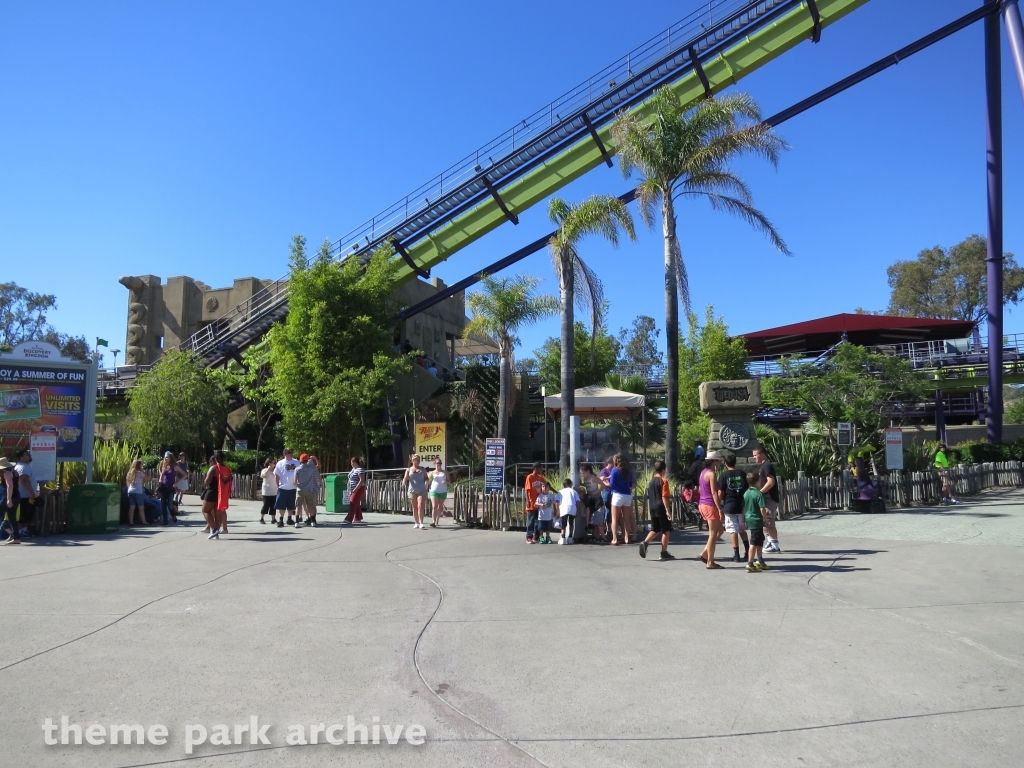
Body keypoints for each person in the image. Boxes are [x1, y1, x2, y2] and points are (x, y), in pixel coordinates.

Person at [639, 460, 675, 561]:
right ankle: (663, 552)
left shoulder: (651, 482)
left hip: (652, 507)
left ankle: (645, 543)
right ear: (663, 470)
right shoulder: (663, 481)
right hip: (661, 507)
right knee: (666, 530)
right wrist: (668, 510)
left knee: (656, 528)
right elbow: (664, 496)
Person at [718, 454, 750, 562]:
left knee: (733, 530)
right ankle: (748, 551)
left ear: (725, 464)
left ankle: (736, 554)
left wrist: (719, 503)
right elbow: (746, 489)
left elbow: (720, 492)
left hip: (729, 505)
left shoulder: (723, 475)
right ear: (735, 462)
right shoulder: (742, 474)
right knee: (742, 529)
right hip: (741, 505)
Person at [751, 446, 782, 552]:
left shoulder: (767, 466)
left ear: (762, 454)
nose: (754, 457)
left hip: (769, 498)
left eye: (755, 455)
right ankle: (771, 541)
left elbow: (771, 481)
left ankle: (774, 545)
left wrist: (760, 492)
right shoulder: (763, 466)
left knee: (768, 521)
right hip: (765, 498)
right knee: (764, 522)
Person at [697, 452, 725, 569]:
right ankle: (710, 561)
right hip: (710, 505)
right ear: (714, 461)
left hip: (702, 503)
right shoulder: (711, 473)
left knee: (720, 531)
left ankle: (705, 553)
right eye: (719, 461)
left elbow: (700, 489)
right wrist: (720, 509)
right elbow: (714, 493)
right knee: (713, 534)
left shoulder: (703, 473)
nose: (720, 464)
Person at [743, 472, 770, 572]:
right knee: (754, 542)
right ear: (757, 481)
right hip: (756, 519)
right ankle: (750, 563)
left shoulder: (746, 493)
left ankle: (760, 560)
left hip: (749, 518)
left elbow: (743, 506)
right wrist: (766, 519)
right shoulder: (759, 494)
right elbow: (762, 508)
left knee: (759, 540)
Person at [608, 454, 635, 545]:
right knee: (626, 518)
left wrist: (604, 482)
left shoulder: (614, 470)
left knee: (614, 518)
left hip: (617, 495)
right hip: (627, 495)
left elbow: (611, 484)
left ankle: (615, 539)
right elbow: (631, 484)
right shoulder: (629, 471)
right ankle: (627, 538)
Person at [273, 449, 300, 528]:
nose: (290, 454)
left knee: (291, 505)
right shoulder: (280, 463)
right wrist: (278, 485)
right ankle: (281, 520)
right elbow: (277, 475)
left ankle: (289, 518)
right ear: (284, 454)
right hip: (283, 487)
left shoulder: (296, 462)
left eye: (291, 452)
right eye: (288, 453)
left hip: (293, 487)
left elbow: (299, 473)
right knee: (282, 505)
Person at [209, 451, 233, 536]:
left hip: (214, 492)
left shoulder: (215, 467)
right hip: (223, 493)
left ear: (215, 459)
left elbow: (207, 481)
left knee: (206, 511)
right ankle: (217, 530)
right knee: (219, 511)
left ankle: (215, 530)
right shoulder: (227, 469)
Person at [402, 454, 428, 529]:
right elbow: (405, 478)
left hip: (421, 490)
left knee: (420, 506)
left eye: (419, 460)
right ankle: (416, 523)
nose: (418, 461)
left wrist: (426, 482)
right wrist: (403, 483)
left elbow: (426, 478)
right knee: (415, 507)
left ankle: (421, 523)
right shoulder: (408, 469)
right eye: (417, 460)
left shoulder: (422, 469)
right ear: (413, 461)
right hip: (412, 490)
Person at [14, 450, 37, 536]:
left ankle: (24, 531)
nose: (29, 455)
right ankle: (19, 533)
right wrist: (32, 492)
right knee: (22, 516)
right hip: (23, 496)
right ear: (21, 457)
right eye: (27, 454)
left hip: (26, 496)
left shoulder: (25, 466)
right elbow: (25, 480)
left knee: (27, 515)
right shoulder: (22, 467)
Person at [523, 462, 547, 544]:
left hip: (539, 503)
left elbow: (547, 485)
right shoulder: (530, 477)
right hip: (532, 502)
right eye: (540, 468)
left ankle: (536, 536)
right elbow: (526, 489)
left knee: (538, 521)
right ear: (535, 469)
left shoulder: (541, 478)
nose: (542, 470)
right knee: (531, 520)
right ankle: (528, 537)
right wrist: (527, 500)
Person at [294, 453, 320, 528]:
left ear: (300, 460)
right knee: (310, 506)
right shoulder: (311, 468)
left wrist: (297, 485)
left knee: (298, 506)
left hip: (300, 490)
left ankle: (297, 522)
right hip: (309, 489)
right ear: (307, 460)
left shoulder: (297, 469)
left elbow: (295, 481)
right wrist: (315, 458)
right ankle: (313, 521)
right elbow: (319, 465)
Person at [580, 464, 605, 541]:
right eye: (581, 473)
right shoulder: (585, 479)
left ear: (588, 471)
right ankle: (594, 536)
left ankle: (600, 536)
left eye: (583, 473)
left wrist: (596, 492)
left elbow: (603, 485)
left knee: (597, 519)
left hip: (596, 499)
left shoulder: (593, 478)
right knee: (592, 519)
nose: (582, 475)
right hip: (590, 499)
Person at [1, 457, 22, 544]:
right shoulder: (15, 472)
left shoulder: (6, 473)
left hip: (9, 497)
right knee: (12, 518)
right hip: (17, 496)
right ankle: (16, 538)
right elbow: (18, 484)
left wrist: (9, 499)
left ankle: (15, 537)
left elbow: (10, 486)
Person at [157, 452, 179, 525]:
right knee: (163, 504)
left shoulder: (175, 466)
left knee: (170, 505)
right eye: (165, 457)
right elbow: (162, 473)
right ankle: (165, 520)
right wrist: (160, 478)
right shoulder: (164, 465)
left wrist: (176, 483)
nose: (165, 459)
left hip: (170, 487)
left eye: (167, 457)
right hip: (163, 486)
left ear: (171, 458)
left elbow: (185, 474)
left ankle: (173, 515)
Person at [557, 478, 581, 545]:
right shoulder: (574, 491)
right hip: (572, 508)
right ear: (570, 484)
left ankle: (563, 538)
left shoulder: (560, 491)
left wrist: (557, 511)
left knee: (563, 524)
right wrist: (577, 510)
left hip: (564, 508)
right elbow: (578, 502)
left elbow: (557, 501)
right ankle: (570, 538)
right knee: (571, 523)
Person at [125, 460, 148, 526]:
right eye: (141, 465)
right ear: (138, 466)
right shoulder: (139, 473)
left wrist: (130, 488)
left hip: (130, 491)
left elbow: (127, 482)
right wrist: (143, 471)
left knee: (132, 507)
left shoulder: (129, 472)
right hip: (138, 491)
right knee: (141, 507)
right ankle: (144, 521)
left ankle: (131, 522)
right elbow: (147, 479)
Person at [344, 456, 367, 524]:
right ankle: (357, 517)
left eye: (352, 462)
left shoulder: (360, 469)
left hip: (359, 488)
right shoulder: (353, 469)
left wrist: (356, 488)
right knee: (355, 503)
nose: (351, 464)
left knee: (353, 503)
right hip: (352, 489)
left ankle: (349, 518)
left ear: (355, 462)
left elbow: (361, 480)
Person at [428, 458, 448, 527]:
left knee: (440, 507)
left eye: (440, 463)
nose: (439, 464)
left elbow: (449, 480)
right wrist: (428, 480)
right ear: (434, 464)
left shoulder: (445, 472)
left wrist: (446, 482)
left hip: (443, 491)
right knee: (434, 506)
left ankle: (437, 521)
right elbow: (428, 481)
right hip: (434, 491)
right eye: (437, 463)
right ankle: (433, 521)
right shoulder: (431, 473)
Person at [259, 457, 278, 524]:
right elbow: (263, 476)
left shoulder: (275, 471)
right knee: (266, 505)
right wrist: (268, 469)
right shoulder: (264, 470)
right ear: (269, 463)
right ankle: (262, 518)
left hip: (274, 490)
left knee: (273, 506)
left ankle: (273, 519)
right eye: (274, 463)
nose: (275, 464)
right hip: (266, 491)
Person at [598, 459, 613, 536]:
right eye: (612, 463)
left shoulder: (614, 470)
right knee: (607, 508)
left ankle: (611, 528)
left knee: (611, 510)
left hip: (613, 492)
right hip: (606, 491)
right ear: (608, 463)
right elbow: (603, 480)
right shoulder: (604, 471)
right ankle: (607, 528)